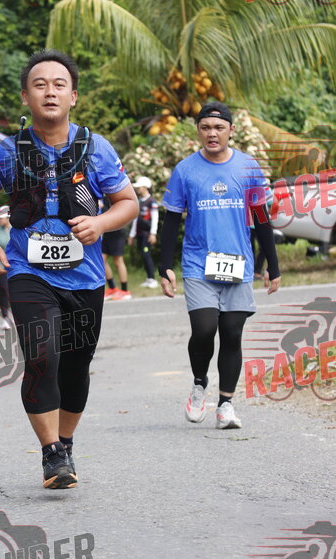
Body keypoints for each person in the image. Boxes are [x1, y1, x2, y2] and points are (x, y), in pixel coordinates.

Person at [0, 49, 139, 489]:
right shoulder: (8, 152)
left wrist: (100, 223)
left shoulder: (96, 148)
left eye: (59, 85)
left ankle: (65, 442)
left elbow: (128, 202)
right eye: (40, 84)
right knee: (42, 355)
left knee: (76, 366)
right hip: (29, 271)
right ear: (25, 96)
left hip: (85, 276)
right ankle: (51, 454)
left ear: (73, 97)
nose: (50, 91)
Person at [159, 101, 281, 429]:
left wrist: (272, 264)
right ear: (198, 131)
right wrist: (164, 265)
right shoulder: (185, 170)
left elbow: (261, 218)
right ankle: (200, 383)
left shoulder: (248, 167)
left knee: (231, 333)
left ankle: (226, 405)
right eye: (205, 128)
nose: (212, 133)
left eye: (218, 128)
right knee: (204, 329)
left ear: (231, 131)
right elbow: (171, 219)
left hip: (237, 262)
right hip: (198, 263)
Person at [129, 176, 159, 288]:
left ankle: (153, 279)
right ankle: (149, 278)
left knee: (147, 255)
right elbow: (135, 219)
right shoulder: (139, 201)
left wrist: (153, 234)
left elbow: (155, 219)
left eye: (140, 187)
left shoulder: (152, 201)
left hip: (147, 234)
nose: (138, 189)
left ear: (145, 187)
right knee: (143, 254)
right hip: (140, 234)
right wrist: (132, 235)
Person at [101, 196, 131, 300]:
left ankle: (125, 291)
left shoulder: (117, 194)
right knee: (101, 260)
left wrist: (102, 207)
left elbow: (115, 214)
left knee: (118, 261)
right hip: (107, 232)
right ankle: (112, 288)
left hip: (117, 233)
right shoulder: (104, 196)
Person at [0, 205, 12, 325]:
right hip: (2, 267)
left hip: (17, 266)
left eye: (1, 217)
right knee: (4, 291)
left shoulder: (16, 229)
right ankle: (5, 317)